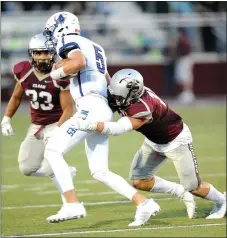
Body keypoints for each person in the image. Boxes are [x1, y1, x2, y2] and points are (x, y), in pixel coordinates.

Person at [42, 11, 160, 226]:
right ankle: (144, 203)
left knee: (52, 150)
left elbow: (77, 62)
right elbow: (107, 81)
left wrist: (55, 73)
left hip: (90, 106)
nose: (51, 37)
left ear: (61, 27)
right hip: (101, 107)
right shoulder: (96, 47)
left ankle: (72, 203)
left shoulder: (68, 40)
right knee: (100, 171)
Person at [73, 68, 226, 219]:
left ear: (132, 94)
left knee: (193, 187)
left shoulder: (142, 107)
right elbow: (107, 81)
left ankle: (222, 201)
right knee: (140, 181)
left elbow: (119, 128)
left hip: (176, 141)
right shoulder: (124, 92)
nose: (114, 98)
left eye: (119, 96)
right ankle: (179, 190)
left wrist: (90, 125)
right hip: (154, 142)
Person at [1, 33, 75, 207]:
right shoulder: (23, 70)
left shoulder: (60, 74)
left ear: (53, 54)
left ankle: (69, 202)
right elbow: (16, 97)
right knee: (26, 168)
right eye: (38, 53)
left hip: (57, 123)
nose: (42, 57)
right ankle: (66, 172)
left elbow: (68, 110)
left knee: (52, 167)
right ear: (31, 54)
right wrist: (6, 119)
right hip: (36, 125)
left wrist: (58, 130)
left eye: (46, 53)